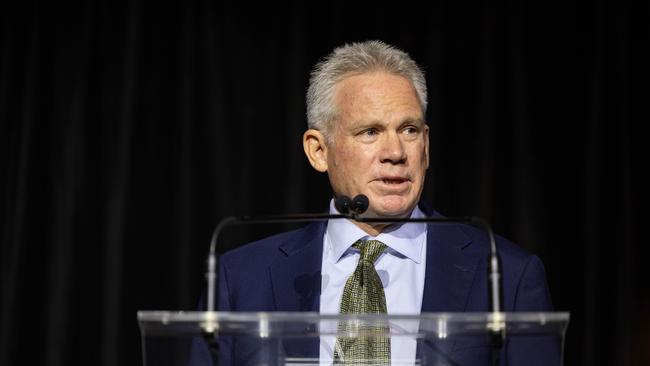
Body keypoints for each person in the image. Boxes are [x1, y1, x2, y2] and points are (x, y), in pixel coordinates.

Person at [189, 40, 555, 365]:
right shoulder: (240, 278)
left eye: (409, 130)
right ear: (319, 151)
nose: (395, 152)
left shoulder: (509, 276)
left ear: (425, 146)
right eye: (370, 132)